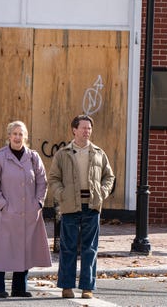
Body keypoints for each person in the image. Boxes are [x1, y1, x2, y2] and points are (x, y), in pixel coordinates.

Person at [48, 114, 115, 299]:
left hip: (92, 206)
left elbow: (109, 177)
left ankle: (87, 287)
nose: (87, 131)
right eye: (83, 128)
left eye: (89, 128)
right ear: (74, 130)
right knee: (68, 248)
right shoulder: (63, 153)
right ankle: (66, 287)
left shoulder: (99, 153)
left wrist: (102, 193)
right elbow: (53, 178)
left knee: (90, 249)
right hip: (70, 207)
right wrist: (62, 195)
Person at [0, 120, 52, 298]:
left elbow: (42, 182)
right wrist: (3, 205)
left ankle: (19, 288)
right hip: (8, 212)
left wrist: (38, 203)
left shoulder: (33, 157)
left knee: (25, 248)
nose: (17, 137)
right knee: (2, 249)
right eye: (14, 134)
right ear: (9, 136)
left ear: (26, 137)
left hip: (30, 212)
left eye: (20, 134)